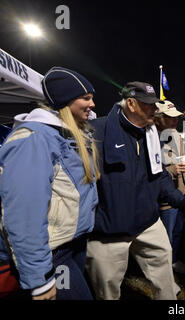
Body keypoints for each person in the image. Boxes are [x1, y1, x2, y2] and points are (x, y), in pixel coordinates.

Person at [86, 82, 185, 300]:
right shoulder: (96, 131)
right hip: (110, 229)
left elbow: (159, 176)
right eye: (149, 105)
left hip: (147, 221)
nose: (155, 110)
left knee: (164, 266)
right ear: (131, 103)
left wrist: (180, 201)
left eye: (155, 104)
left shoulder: (150, 133)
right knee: (107, 291)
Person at [0, 66, 100, 300]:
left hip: (70, 245)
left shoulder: (67, 134)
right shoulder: (35, 138)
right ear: (66, 100)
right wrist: (40, 279)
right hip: (52, 253)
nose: (92, 104)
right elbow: (23, 212)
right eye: (86, 98)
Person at [154, 100, 185, 275]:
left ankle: (173, 261)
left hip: (181, 192)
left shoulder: (176, 134)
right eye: (170, 118)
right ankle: (163, 272)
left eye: (176, 117)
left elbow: (181, 158)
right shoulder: (151, 137)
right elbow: (152, 171)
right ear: (158, 118)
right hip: (165, 199)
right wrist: (171, 170)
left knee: (177, 232)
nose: (175, 121)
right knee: (165, 237)